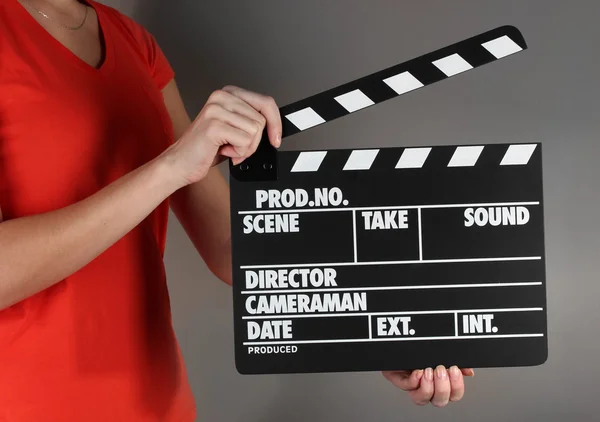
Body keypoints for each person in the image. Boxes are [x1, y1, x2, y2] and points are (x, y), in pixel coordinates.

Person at [0, 0, 474, 420]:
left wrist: (376, 330)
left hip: (156, 403)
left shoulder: (133, 42)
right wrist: (168, 168)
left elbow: (234, 246)